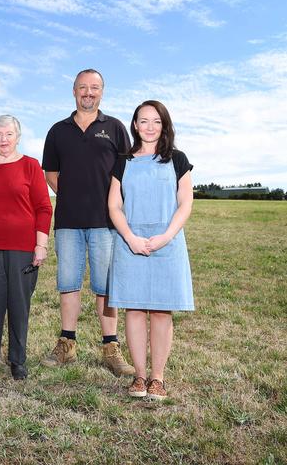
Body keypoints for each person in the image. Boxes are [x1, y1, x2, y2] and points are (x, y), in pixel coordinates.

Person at [41, 68, 135, 376]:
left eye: (94, 88)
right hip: (68, 221)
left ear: (102, 92)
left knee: (105, 286)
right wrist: (72, 195)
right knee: (68, 283)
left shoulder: (116, 128)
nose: (88, 92)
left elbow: (126, 172)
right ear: (74, 91)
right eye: (83, 87)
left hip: (105, 222)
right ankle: (67, 343)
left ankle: (110, 346)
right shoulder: (58, 130)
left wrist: (108, 202)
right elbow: (51, 174)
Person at [107, 100, 194, 400]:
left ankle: (157, 378)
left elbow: (185, 203)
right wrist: (130, 237)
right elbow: (114, 205)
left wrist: (166, 236)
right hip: (130, 243)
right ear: (134, 125)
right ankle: (139, 377)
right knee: (133, 308)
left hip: (166, 244)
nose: (149, 127)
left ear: (164, 125)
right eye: (143, 121)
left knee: (160, 310)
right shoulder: (123, 162)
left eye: (156, 121)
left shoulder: (178, 160)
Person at [0, 114, 52, 381]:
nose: (3, 140)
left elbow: (43, 207)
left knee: (19, 305)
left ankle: (18, 360)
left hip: (22, 247)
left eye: (8, 134)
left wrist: (41, 245)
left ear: (18, 136)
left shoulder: (30, 166)